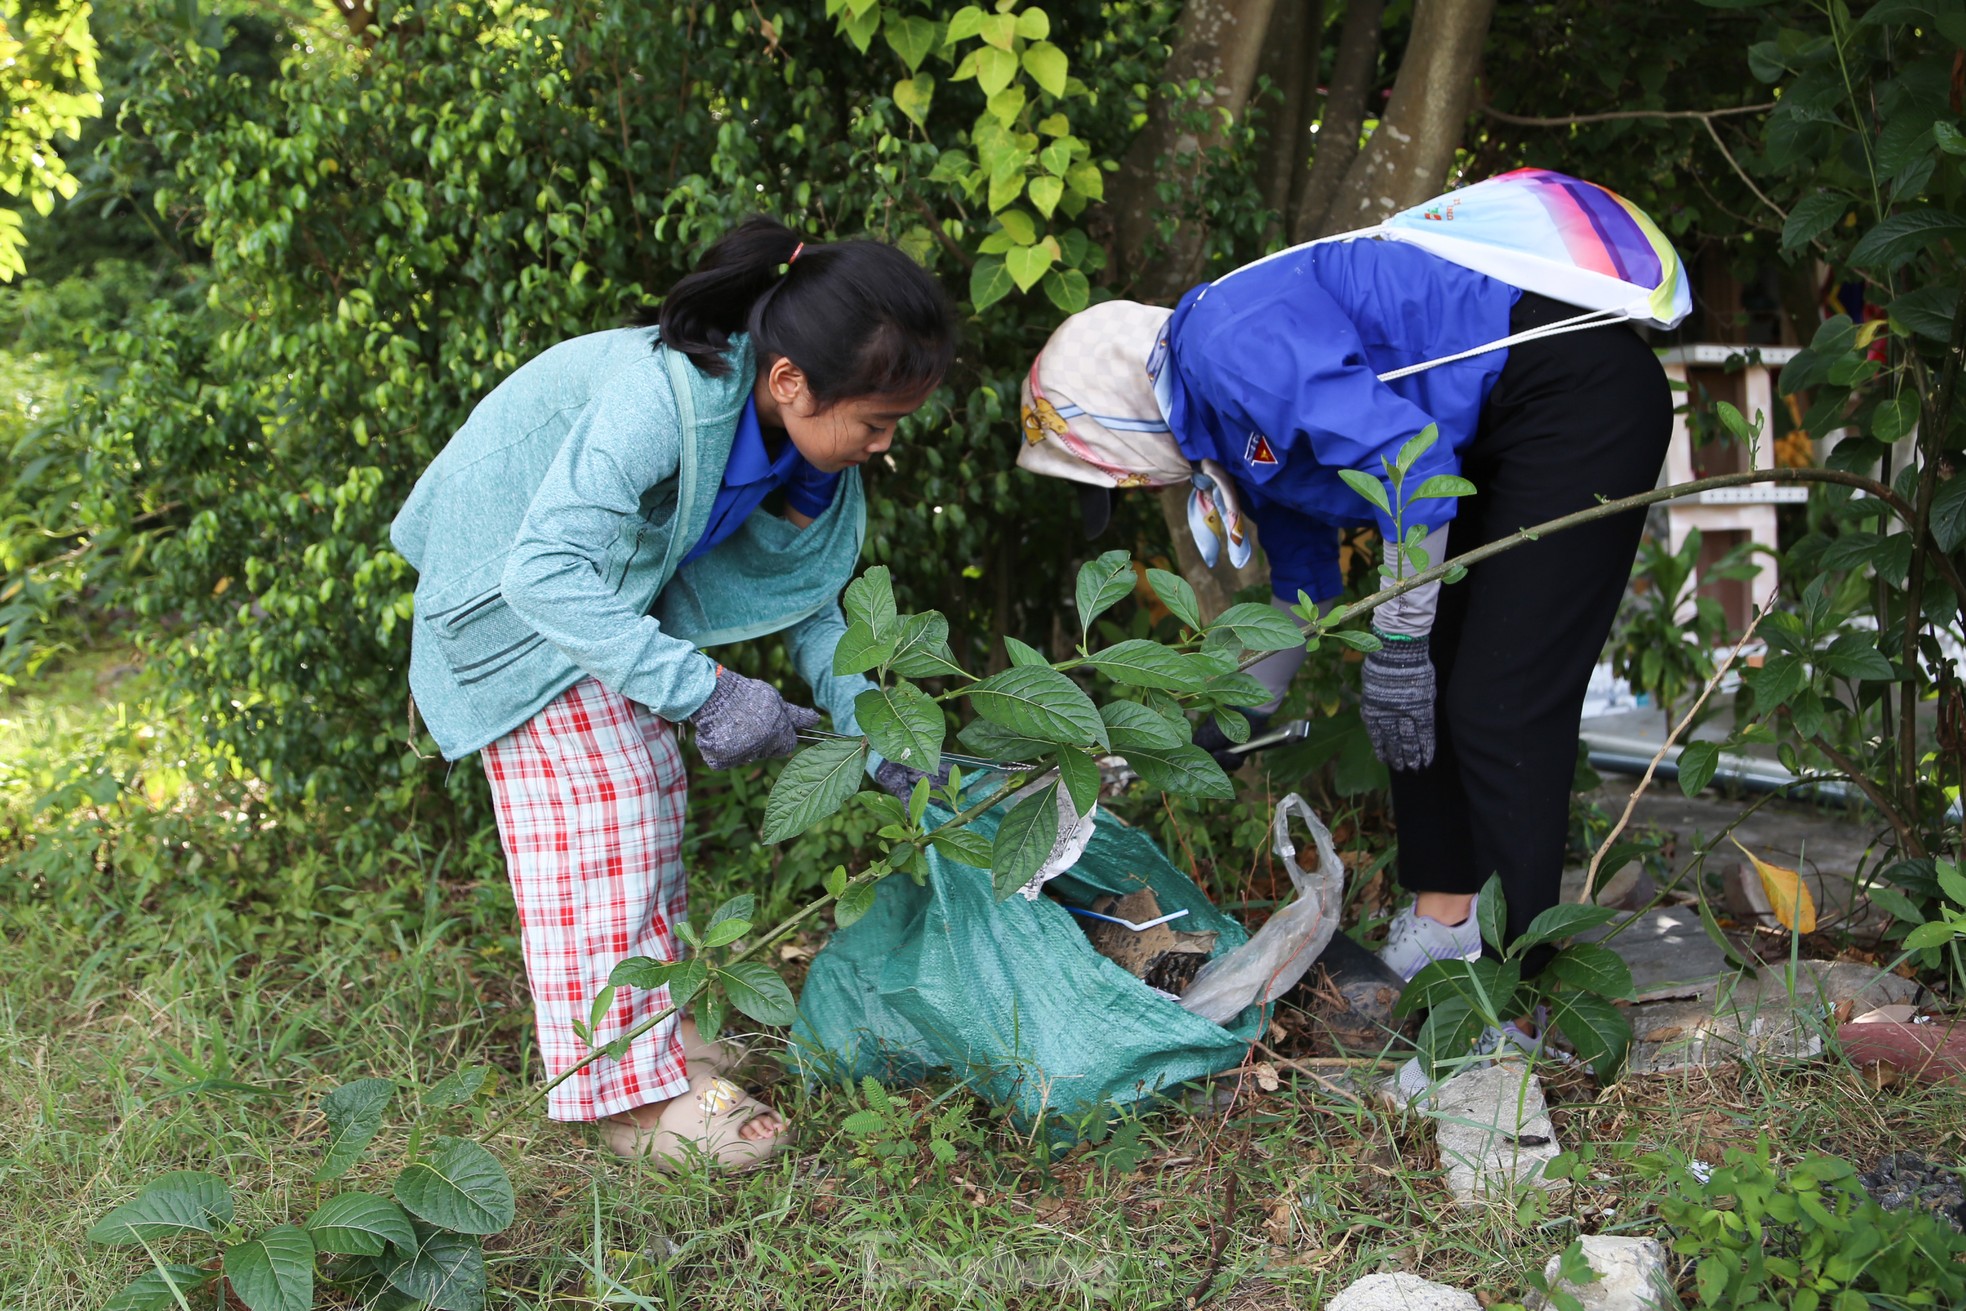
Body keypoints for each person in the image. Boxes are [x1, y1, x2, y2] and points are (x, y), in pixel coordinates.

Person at [1015, 170, 1677, 1067]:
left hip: (1572, 392)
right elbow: (1307, 601)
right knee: (1423, 687)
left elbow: (1408, 456)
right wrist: (1211, 730)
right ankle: (1448, 927)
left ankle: (1528, 993)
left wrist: (1402, 643)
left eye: (1115, 470)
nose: (1135, 486)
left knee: (1499, 700)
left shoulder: (1224, 341)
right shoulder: (1229, 425)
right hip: (1497, 432)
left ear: (1120, 420)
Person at [390, 217, 955, 1168]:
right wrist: (712, 693)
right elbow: (543, 572)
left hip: (597, 598)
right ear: (792, 383)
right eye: (877, 419)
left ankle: (670, 1047)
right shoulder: (665, 395)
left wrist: (881, 735)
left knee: (650, 794)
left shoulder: (814, 462)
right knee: (602, 810)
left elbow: (821, 610)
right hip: (507, 596)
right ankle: (625, 1101)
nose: (887, 443)